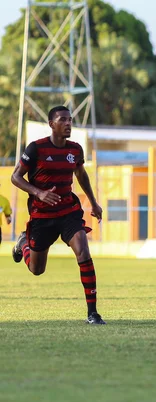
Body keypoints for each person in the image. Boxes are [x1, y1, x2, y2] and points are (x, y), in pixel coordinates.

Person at [11, 106, 105, 325]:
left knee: (82, 249)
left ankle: (93, 313)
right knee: (36, 269)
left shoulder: (75, 150)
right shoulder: (36, 148)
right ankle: (23, 243)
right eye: (63, 120)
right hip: (42, 216)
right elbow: (15, 177)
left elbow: (81, 174)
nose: (68, 123)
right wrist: (38, 192)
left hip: (68, 212)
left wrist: (93, 202)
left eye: (70, 120)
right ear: (52, 124)